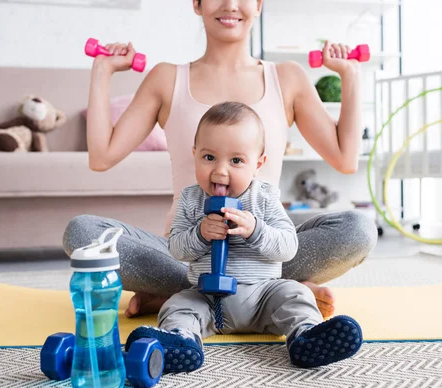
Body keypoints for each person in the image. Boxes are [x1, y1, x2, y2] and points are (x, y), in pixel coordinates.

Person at [63, 0, 377, 320]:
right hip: (186, 255)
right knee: (83, 234)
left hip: (264, 253)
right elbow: (101, 157)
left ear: (258, 5)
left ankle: (187, 296)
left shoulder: (288, 78)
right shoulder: (166, 78)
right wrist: (102, 71)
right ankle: (270, 294)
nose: (230, 5)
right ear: (197, 4)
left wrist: (351, 76)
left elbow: (345, 159)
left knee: (358, 229)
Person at [126, 101, 362, 372]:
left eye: (236, 160)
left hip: (263, 295)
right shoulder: (191, 199)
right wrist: (200, 234)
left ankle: (305, 336)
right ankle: (182, 341)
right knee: (177, 305)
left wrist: (256, 230)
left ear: (258, 164)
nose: (220, 170)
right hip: (206, 296)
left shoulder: (264, 197)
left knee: (294, 294)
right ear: (194, 154)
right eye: (209, 157)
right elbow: (177, 249)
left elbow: (288, 247)